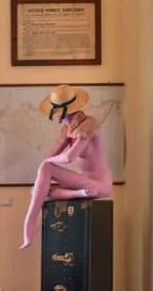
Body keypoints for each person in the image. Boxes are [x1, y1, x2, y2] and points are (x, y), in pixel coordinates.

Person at [20, 84, 113, 249]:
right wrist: (42, 175)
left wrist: (45, 165)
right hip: (85, 182)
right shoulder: (68, 129)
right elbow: (50, 158)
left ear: (66, 111)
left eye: (57, 112)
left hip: (100, 184)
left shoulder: (87, 126)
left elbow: (69, 157)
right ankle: (79, 193)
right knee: (40, 189)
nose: (56, 117)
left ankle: (30, 222)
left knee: (45, 171)